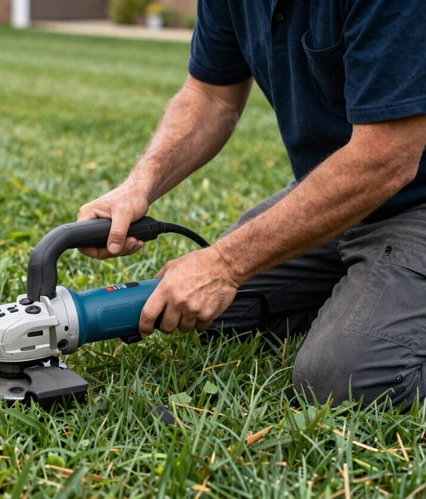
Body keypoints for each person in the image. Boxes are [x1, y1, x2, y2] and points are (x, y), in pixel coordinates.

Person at [77, 1, 426, 409]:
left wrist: (225, 264)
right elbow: (210, 96)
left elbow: (385, 159)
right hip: (344, 201)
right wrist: (139, 186)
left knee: (344, 378)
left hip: (411, 199)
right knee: (223, 317)